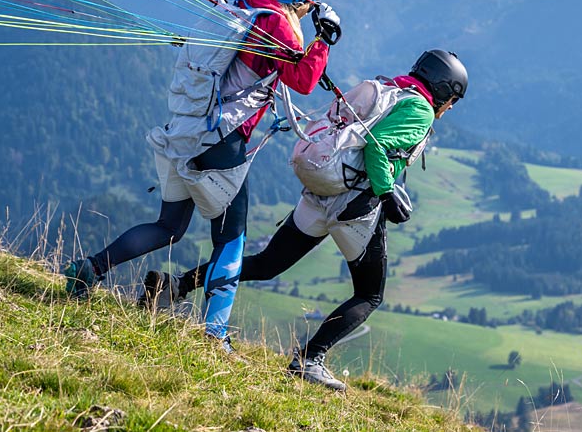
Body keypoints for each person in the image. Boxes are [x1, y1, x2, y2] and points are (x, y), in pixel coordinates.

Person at [141, 49, 469, 390]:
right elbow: (379, 147)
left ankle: (175, 285)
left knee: (266, 263)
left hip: (320, 191)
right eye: (453, 99)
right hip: (355, 206)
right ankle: (310, 359)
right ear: (444, 90)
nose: (450, 108)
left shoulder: (388, 89)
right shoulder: (419, 110)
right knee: (369, 295)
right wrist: (387, 192)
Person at [63, 0, 340, 352]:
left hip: (186, 130)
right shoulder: (276, 24)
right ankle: (214, 334)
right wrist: (324, 39)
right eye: (309, 3)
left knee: (168, 227)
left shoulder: (241, 6)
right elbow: (303, 79)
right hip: (220, 141)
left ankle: (89, 269)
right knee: (231, 241)